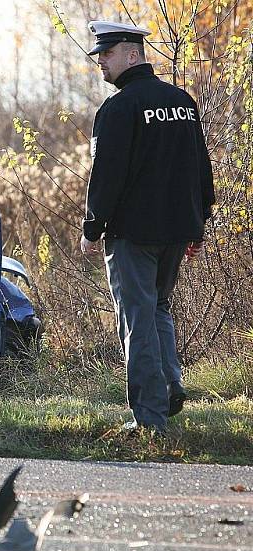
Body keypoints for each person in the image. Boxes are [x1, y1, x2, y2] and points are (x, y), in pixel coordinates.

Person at [80, 20, 215, 432]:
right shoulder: (181, 101)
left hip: (133, 235)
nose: (101, 62)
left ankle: (150, 419)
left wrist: (92, 227)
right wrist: (200, 221)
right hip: (177, 229)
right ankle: (170, 387)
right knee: (158, 309)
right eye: (99, 54)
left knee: (136, 318)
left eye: (107, 53)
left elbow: (107, 175)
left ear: (132, 54)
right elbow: (200, 167)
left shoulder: (118, 108)